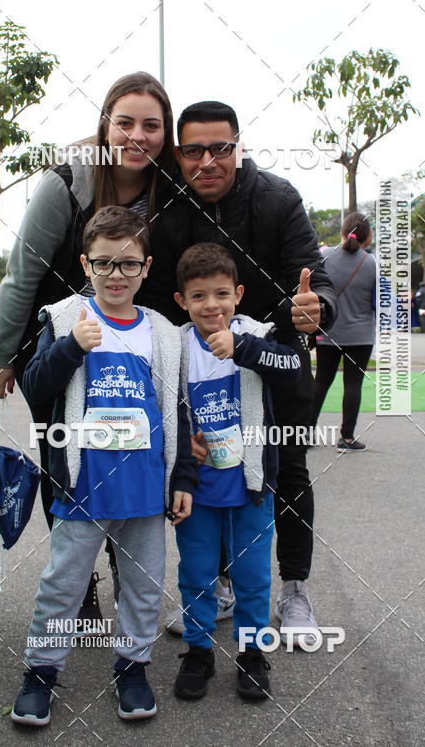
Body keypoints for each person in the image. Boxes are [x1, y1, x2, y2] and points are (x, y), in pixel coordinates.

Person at [139, 100, 338, 643]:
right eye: (194, 150)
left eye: (221, 148)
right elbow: (155, 306)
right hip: (201, 371)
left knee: (287, 471)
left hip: (275, 360)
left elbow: (316, 281)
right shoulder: (166, 210)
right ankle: (222, 585)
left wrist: (316, 307)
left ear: (239, 147)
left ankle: (294, 589)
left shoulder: (277, 198)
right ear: (177, 154)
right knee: (209, 472)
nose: (208, 162)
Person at [0, 71, 176, 615]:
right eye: (125, 123)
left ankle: (125, 568)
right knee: (65, 461)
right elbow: (22, 274)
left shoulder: (169, 186)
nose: (137, 135)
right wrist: (3, 355)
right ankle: (79, 580)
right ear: (105, 125)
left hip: (131, 343)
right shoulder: (67, 181)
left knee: (129, 452)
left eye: (151, 125)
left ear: (165, 132)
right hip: (60, 343)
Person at [10, 206, 197, 727]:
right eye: (104, 263)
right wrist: (71, 348)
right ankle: (41, 673)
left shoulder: (162, 332)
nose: (117, 274)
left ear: (147, 266)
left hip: (144, 491)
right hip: (83, 489)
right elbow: (35, 386)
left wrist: (182, 477)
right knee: (62, 585)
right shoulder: (64, 319)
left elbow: (178, 410)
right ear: (85, 265)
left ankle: (132, 669)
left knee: (144, 587)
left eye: (129, 264)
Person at [172, 243, 301, 702]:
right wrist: (180, 456)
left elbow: (293, 368)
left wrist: (243, 348)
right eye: (199, 296)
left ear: (239, 295)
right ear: (182, 301)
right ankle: (198, 650)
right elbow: (160, 406)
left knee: (252, 576)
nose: (212, 305)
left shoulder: (257, 334)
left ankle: (252, 652)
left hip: (251, 486)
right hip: (196, 489)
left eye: (221, 294)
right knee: (196, 572)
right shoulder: (174, 346)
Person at [310, 213, 377, 451]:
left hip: (328, 331)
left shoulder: (324, 256)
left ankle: (305, 433)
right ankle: (347, 438)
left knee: (321, 381)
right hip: (361, 334)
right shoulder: (372, 263)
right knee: (353, 384)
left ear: (342, 232)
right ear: (367, 236)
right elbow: (379, 302)